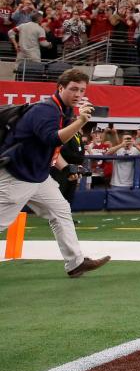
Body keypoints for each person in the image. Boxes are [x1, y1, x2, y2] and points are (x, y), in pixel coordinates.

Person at [0, 68, 111, 277]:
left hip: (37, 176)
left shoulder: (62, 110)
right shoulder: (47, 110)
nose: (78, 94)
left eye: (82, 90)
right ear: (61, 88)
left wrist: (65, 167)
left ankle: (75, 263)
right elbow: (54, 139)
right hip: (18, 175)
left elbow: (51, 148)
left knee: (61, 211)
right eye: (73, 89)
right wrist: (81, 121)